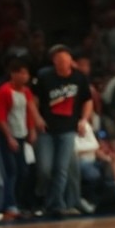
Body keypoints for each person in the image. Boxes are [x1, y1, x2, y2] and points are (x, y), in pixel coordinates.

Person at [33, 44, 93, 217]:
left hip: (68, 129)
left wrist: (84, 119)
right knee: (45, 169)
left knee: (62, 169)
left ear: (71, 61)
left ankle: (57, 205)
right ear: (54, 61)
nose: (62, 63)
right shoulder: (44, 76)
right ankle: (45, 200)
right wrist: (37, 118)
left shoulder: (79, 77)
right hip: (46, 129)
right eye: (58, 60)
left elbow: (87, 100)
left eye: (65, 60)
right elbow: (33, 100)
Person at [0, 58, 41, 219]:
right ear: (13, 74)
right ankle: (9, 205)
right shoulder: (4, 92)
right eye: (21, 73)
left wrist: (32, 130)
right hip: (8, 135)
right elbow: (0, 117)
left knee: (23, 171)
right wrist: (9, 137)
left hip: (22, 135)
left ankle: (19, 203)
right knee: (12, 170)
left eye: (26, 73)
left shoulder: (26, 92)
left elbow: (30, 112)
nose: (25, 76)